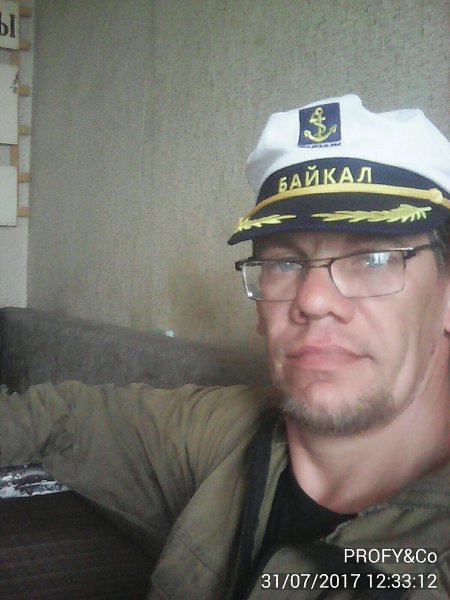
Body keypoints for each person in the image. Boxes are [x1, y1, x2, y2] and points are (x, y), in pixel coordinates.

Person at [1, 94, 449, 599]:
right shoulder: (227, 432)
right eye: (284, 263)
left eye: (372, 258)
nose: (312, 299)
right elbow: (59, 416)